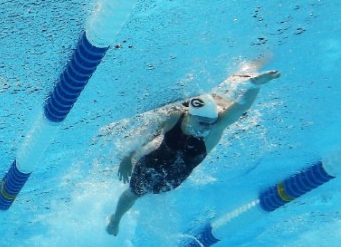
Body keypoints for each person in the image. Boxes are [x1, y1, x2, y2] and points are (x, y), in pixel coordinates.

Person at [105, 68, 281, 236]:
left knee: (156, 190)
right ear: (189, 115)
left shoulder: (214, 129)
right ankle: (115, 220)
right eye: (202, 122)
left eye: (211, 121)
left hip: (173, 179)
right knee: (133, 194)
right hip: (151, 164)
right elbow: (146, 132)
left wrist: (256, 84)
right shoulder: (175, 117)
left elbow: (240, 108)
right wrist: (128, 157)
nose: (207, 126)